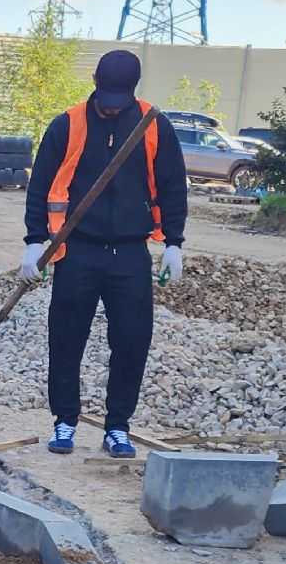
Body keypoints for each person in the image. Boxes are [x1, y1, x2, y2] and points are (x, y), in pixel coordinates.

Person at [19, 49, 189, 459]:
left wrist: (174, 244)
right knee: (66, 338)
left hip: (130, 253)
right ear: (94, 81)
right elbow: (40, 185)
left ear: (134, 89)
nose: (112, 109)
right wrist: (33, 240)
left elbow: (172, 186)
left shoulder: (153, 125)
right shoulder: (67, 125)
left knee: (132, 341)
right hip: (77, 251)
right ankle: (64, 420)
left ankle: (117, 426)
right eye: (107, 97)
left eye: (121, 99)